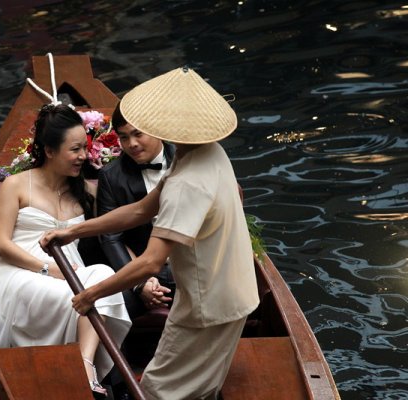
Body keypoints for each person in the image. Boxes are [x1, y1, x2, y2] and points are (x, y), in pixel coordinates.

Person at [41, 68, 260, 400]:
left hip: (208, 305)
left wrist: (91, 295)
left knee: (158, 391)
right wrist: (74, 231)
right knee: (198, 389)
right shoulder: (202, 149)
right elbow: (142, 209)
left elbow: (149, 264)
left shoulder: (187, 183)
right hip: (230, 291)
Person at [0, 104, 131, 396]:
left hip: (72, 271)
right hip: (19, 271)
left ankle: (85, 364)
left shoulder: (86, 191)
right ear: (49, 151)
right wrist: (50, 269)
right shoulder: (15, 185)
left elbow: (123, 223)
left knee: (103, 277)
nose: (83, 156)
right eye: (74, 150)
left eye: (85, 148)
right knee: (83, 294)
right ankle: (84, 369)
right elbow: (0, 244)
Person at [96, 103, 176, 318]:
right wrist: (140, 281)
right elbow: (111, 237)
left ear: (156, 129)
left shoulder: (186, 158)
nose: (131, 144)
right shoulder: (111, 176)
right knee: (116, 305)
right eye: (123, 137)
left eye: (137, 134)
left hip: (195, 261)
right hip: (149, 268)